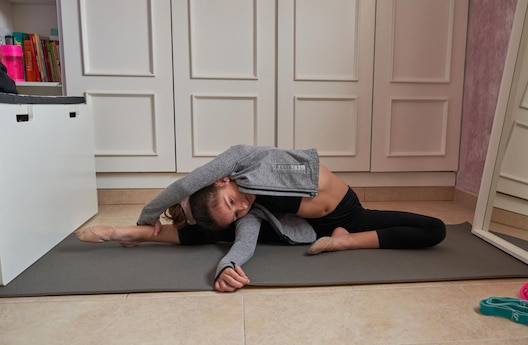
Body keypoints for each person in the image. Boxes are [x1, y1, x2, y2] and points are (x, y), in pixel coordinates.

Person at [77, 145, 446, 292]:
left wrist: (149, 214)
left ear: (221, 180)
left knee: (434, 229)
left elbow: (187, 183)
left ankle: (346, 239)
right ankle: (132, 236)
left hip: (348, 211)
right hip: (309, 230)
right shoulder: (248, 210)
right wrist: (228, 265)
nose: (242, 205)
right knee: (219, 234)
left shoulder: (240, 161)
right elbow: (244, 238)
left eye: (232, 200)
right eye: (236, 209)